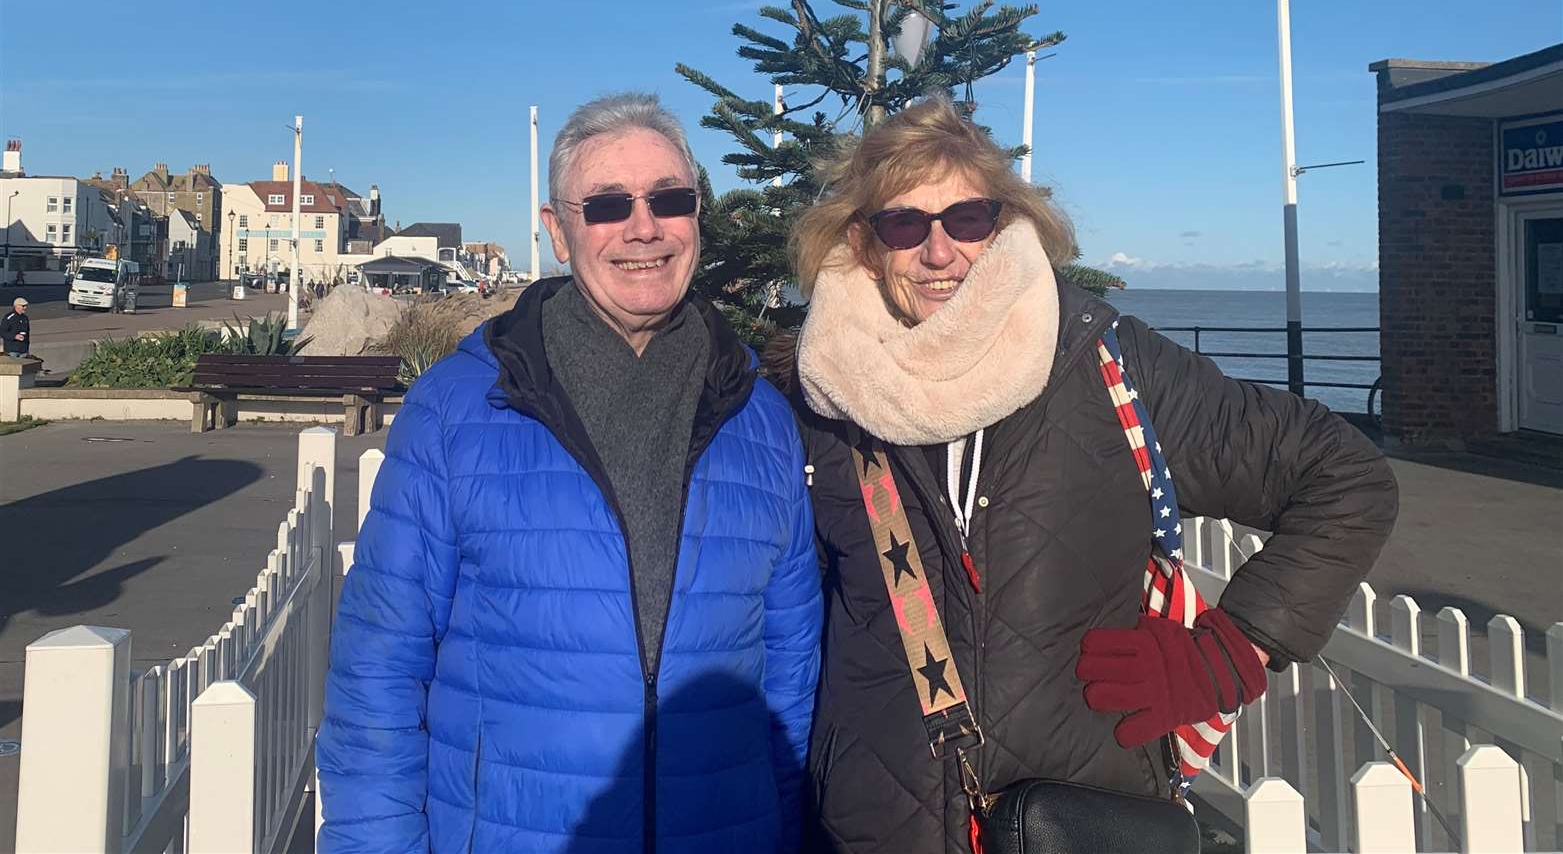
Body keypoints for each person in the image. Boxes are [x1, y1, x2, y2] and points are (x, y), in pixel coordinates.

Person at [769, 97, 1398, 854]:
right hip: (875, 825)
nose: (939, 252)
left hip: (1082, 811)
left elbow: (1344, 476)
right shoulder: (815, 392)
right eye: (903, 224)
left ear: (1004, 228)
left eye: (966, 219)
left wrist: (1238, 646)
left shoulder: (1102, 365)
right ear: (863, 244)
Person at [318, 92, 822, 854]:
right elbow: (377, 672)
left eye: (670, 199)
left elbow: (790, 669)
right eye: (607, 205)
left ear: (696, 216)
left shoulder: (760, 419)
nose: (643, 227)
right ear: (558, 232)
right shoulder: (460, 408)